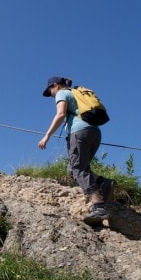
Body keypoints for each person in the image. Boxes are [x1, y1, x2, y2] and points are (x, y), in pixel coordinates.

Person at [38, 76, 114, 224]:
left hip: (79, 134)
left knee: (78, 169)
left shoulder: (62, 93)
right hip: (94, 132)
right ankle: (103, 182)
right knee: (72, 169)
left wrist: (46, 136)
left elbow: (60, 114)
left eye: (50, 91)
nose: (51, 94)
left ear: (55, 85)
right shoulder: (75, 92)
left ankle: (99, 207)